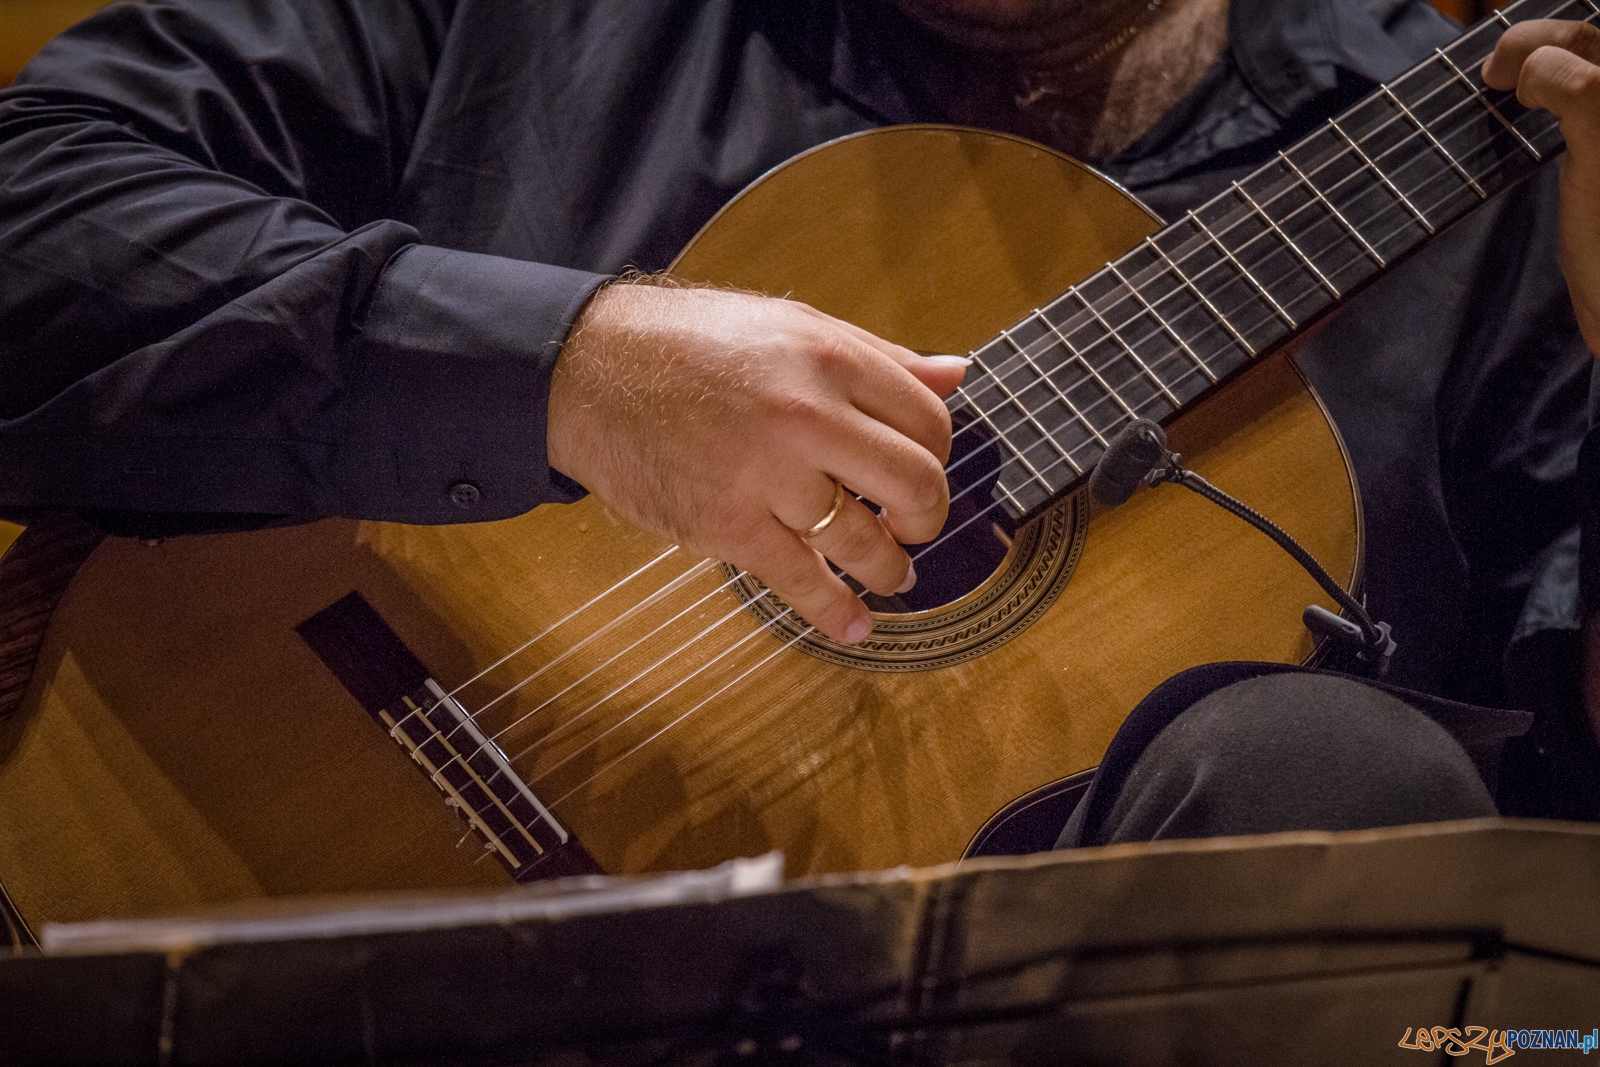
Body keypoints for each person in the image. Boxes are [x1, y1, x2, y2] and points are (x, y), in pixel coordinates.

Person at [0, 0, 1596, 837]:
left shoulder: (1514, 160)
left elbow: (1551, 925)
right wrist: (569, 370)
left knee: (1325, 772)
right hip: (301, 895)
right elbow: (35, 218)